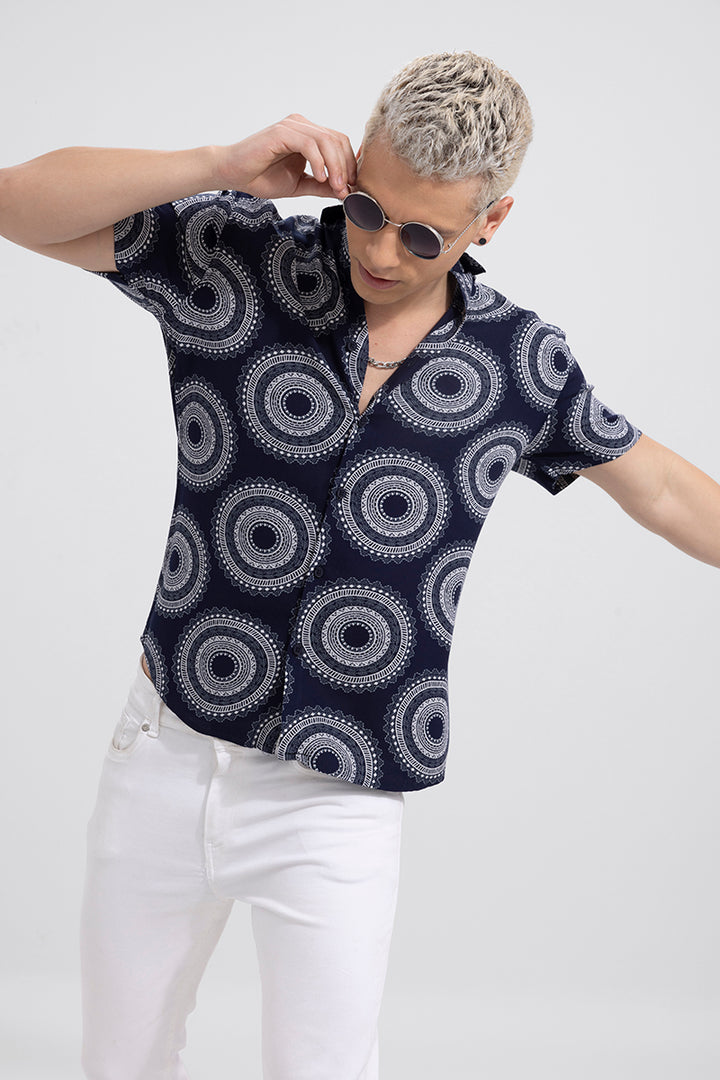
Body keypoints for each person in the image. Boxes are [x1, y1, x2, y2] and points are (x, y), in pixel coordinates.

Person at [1, 49, 718, 1080]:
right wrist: (216, 164)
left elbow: (661, 489)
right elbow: (15, 205)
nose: (381, 250)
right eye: (367, 210)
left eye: (424, 235)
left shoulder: (519, 363)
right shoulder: (236, 262)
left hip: (336, 797)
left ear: (492, 222)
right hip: (164, 753)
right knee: (120, 1063)